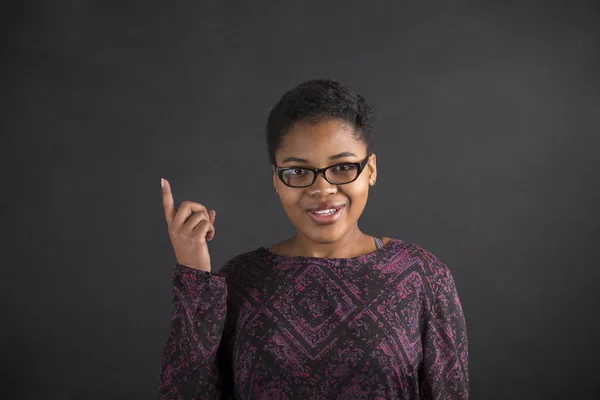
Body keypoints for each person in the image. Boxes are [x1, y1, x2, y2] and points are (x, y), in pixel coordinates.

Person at [158, 79, 469, 399]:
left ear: (371, 169)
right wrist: (194, 273)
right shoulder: (240, 279)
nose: (322, 189)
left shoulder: (422, 275)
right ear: (277, 180)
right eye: (298, 172)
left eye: (343, 166)